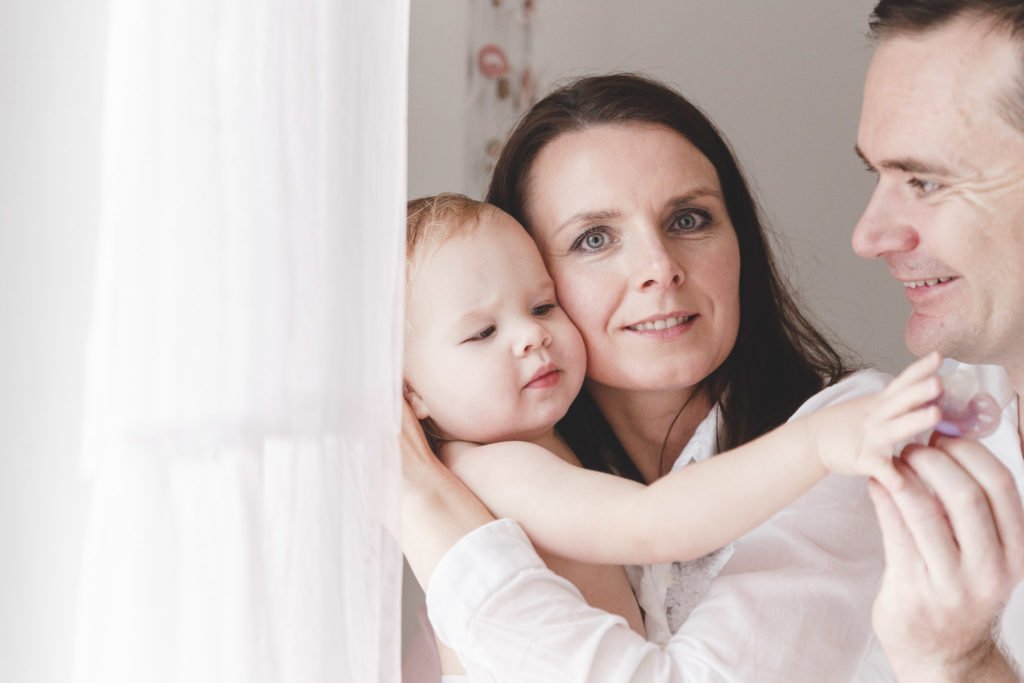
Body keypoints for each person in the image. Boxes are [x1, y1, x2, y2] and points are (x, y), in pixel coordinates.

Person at [400, 73, 896, 682]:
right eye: (594, 238)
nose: (659, 269)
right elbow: (654, 522)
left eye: (688, 219)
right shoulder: (489, 474)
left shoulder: (856, 425)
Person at [852, 1, 1024, 681]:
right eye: (878, 175)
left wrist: (960, 662)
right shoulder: (934, 426)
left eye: (925, 180)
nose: (867, 237)